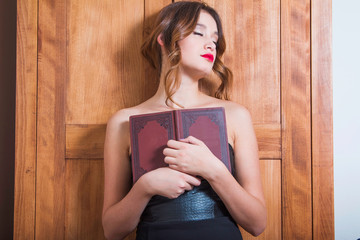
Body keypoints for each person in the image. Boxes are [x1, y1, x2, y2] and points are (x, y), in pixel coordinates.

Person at [102, 1, 266, 240]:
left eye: (214, 38)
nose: (210, 43)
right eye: (198, 33)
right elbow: (111, 230)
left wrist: (214, 170)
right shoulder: (122, 121)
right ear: (164, 39)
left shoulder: (236, 115)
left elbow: (258, 223)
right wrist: (145, 187)